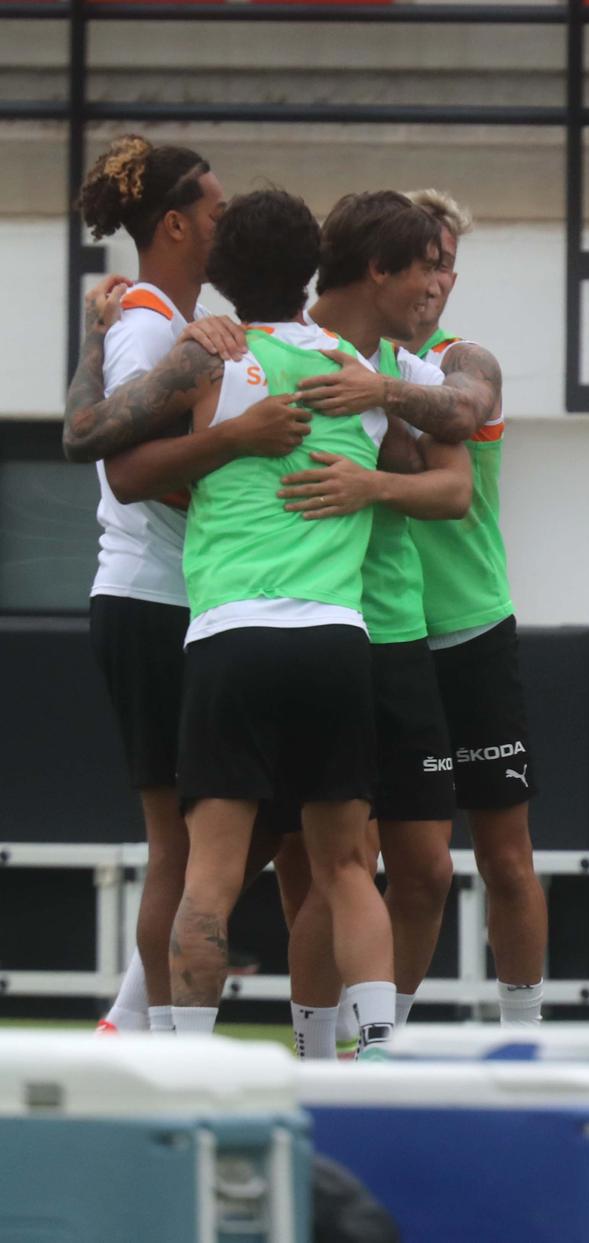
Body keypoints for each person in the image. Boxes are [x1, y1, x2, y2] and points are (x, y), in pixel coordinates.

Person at [62, 135, 303, 1038]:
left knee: (240, 831)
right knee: (184, 843)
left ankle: (135, 1021)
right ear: (172, 223)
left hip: (172, 602)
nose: (225, 220)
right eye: (213, 208)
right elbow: (124, 466)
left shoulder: (160, 319)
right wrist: (238, 448)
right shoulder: (151, 326)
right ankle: (147, 1035)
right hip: (152, 598)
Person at [272, 190, 473, 1057]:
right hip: (303, 630)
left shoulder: (410, 370)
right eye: (427, 265)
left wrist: (375, 479)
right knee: (330, 866)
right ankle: (319, 1056)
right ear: (378, 269)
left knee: (426, 868)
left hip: (395, 637)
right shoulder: (276, 341)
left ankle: (380, 1047)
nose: (441, 284)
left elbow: (455, 488)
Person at [388, 190, 545, 1028]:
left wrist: (371, 386)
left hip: (473, 629)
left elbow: (464, 407)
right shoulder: (332, 355)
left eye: (450, 261)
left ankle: (525, 1038)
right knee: (403, 869)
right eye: (426, 259)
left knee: (506, 859)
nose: (440, 277)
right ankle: (376, 1044)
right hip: (384, 638)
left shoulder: (464, 358)